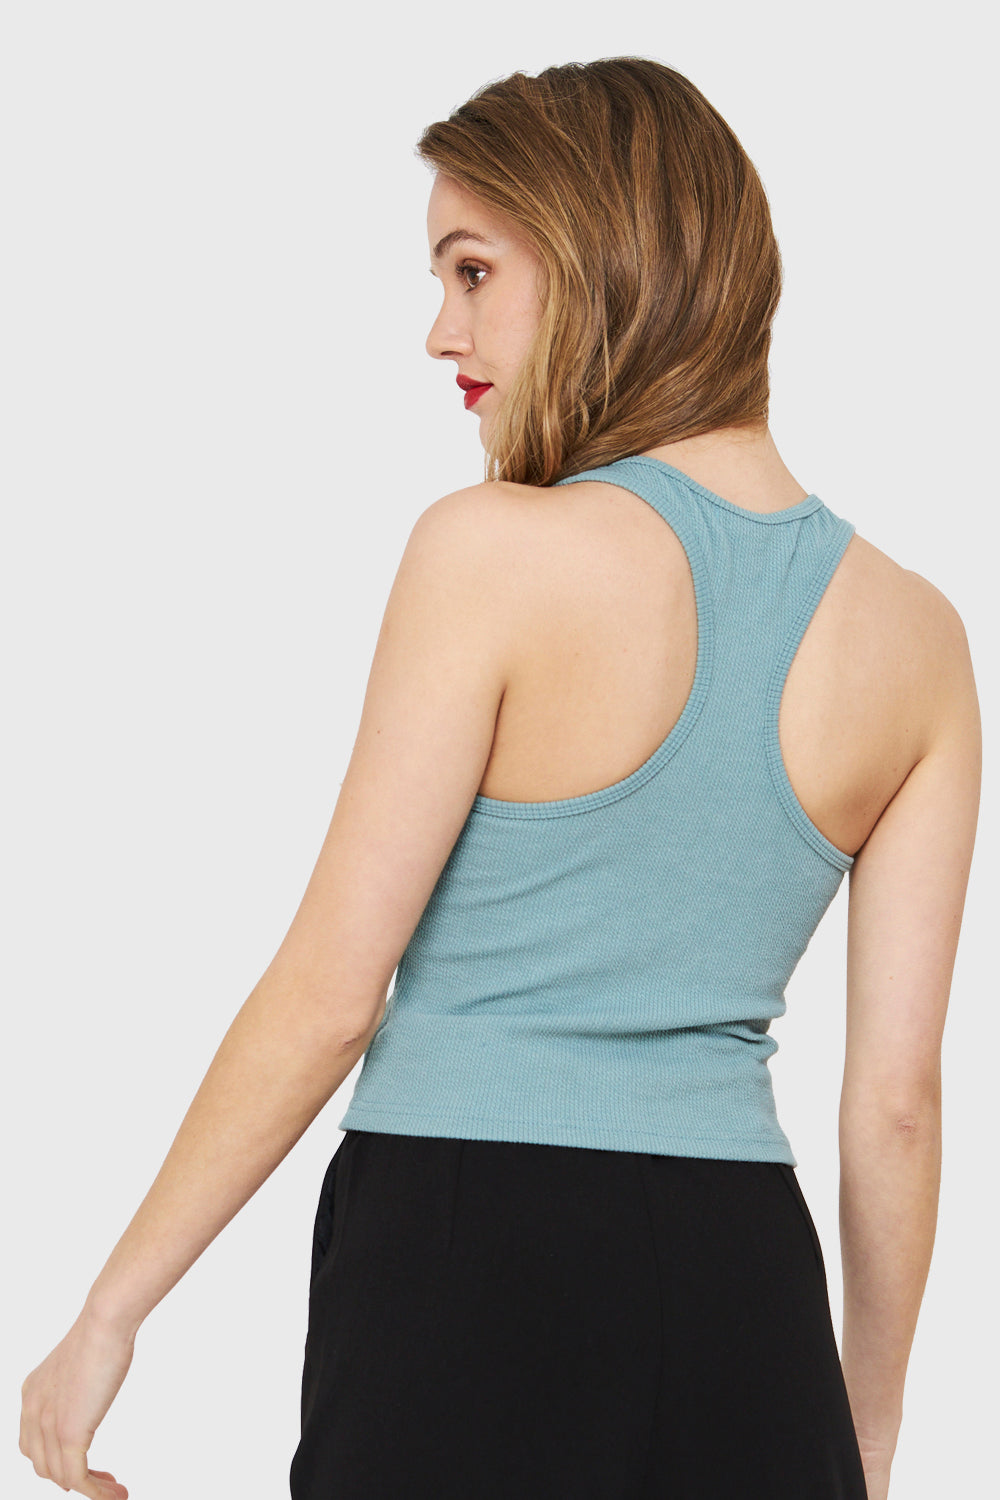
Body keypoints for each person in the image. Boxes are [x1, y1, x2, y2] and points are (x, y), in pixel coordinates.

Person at [19, 56, 980, 1500]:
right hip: (742, 1281)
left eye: (472, 271)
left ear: (600, 259)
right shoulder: (920, 638)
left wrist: (110, 1314)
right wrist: (870, 1433)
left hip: (464, 1245)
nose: (439, 332)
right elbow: (895, 1101)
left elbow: (330, 992)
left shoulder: (489, 552)